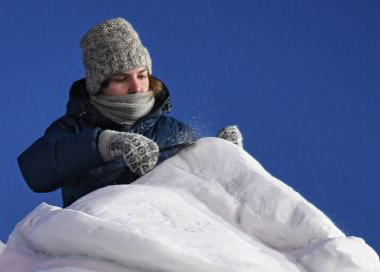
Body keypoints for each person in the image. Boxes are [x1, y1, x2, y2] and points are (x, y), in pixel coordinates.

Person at [18, 18, 242, 207]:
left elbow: (203, 183)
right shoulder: (75, 127)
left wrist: (226, 158)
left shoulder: (171, 129)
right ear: (99, 85)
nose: (136, 87)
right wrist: (104, 145)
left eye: (142, 76)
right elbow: (35, 170)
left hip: (167, 239)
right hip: (97, 241)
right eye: (121, 79)